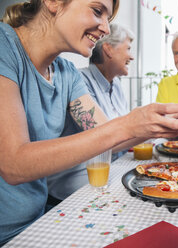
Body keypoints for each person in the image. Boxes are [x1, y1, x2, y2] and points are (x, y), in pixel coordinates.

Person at [0, 0, 178, 245]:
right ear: (53, 2)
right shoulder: (5, 47)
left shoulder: (66, 72)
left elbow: (106, 137)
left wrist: (169, 126)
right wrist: (128, 123)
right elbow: (13, 165)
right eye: (98, 11)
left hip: (40, 220)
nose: (106, 29)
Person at [46, 23, 134, 204]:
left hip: (109, 176)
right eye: (128, 49)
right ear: (108, 50)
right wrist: (147, 128)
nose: (131, 56)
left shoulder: (115, 84)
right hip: (76, 190)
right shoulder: (80, 81)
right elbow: (102, 141)